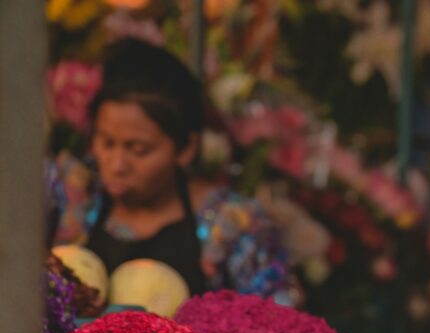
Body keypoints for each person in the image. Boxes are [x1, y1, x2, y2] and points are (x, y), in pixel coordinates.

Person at [47, 39, 292, 301]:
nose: (116, 165)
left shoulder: (234, 224)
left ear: (186, 149)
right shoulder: (70, 195)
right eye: (106, 143)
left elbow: (274, 318)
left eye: (138, 150)